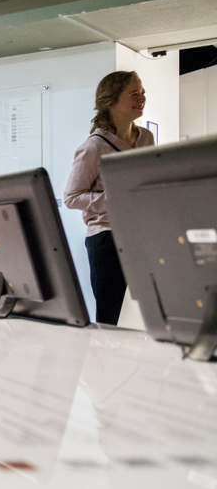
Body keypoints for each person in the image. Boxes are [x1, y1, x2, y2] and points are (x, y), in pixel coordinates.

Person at [64, 70, 155, 325]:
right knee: (110, 318)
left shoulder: (147, 137)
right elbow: (71, 197)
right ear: (111, 101)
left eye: (143, 92)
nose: (142, 98)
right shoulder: (94, 145)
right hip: (106, 239)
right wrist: (116, 198)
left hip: (141, 236)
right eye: (134, 94)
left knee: (149, 314)